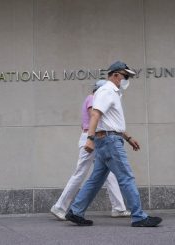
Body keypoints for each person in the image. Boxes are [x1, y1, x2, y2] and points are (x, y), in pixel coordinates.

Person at [65, 61, 162, 227]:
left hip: (108, 139)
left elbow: (110, 122)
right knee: (126, 177)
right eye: (125, 76)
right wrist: (90, 138)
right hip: (110, 141)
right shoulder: (107, 91)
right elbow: (95, 114)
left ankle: (75, 211)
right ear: (115, 74)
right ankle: (139, 217)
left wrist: (128, 138)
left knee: (96, 180)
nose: (127, 80)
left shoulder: (112, 92)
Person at [50, 80, 130, 220]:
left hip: (96, 138)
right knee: (80, 173)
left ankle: (119, 208)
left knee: (109, 174)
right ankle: (59, 207)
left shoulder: (95, 98)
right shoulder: (93, 98)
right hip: (91, 138)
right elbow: (96, 118)